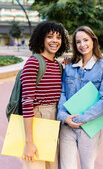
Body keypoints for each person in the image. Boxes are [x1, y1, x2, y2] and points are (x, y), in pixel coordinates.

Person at [57, 26, 103, 169]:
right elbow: (62, 93)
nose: (82, 45)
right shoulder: (69, 66)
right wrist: (63, 116)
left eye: (86, 40)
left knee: (88, 166)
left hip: (89, 128)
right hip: (67, 126)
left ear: (93, 41)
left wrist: (81, 118)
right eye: (78, 42)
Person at [20, 21, 70, 169]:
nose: (55, 41)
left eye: (59, 37)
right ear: (41, 39)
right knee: (35, 164)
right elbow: (27, 102)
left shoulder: (58, 66)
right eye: (50, 36)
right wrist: (29, 142)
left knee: (52, 166)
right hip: (37, 119)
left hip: (54, 119)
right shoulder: (33, 63)